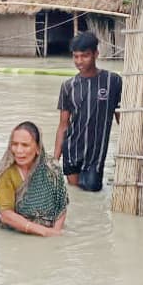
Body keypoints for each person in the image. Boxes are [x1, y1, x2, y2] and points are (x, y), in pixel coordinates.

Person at [53, 31, 122, 192]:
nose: (79, 61)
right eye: (75, 56)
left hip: (96, 156)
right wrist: (55, 159)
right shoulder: (68, 86)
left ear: (96, 54)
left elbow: (121, 117)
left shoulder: (113, 81)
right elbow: (63, 125)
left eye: (85, 56)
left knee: (92, 190)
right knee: (76, 196)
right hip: (72, 151)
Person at [0, 121, 69, 236]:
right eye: (14, 144)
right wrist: (42, 231)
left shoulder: (52, 168)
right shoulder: (6, 173)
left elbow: (61, 205)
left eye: (25, 145)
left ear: (38, 148)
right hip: (16, 233)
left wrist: (56, 233)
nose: (18, 150)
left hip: (50, 230)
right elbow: (5, 215)